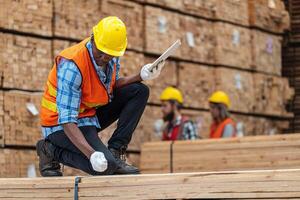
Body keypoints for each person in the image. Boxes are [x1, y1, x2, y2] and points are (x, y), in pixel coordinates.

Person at [36, 16, 165, 176]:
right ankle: (50, 150)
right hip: (58, 123)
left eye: (109, 55)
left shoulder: (111, 54)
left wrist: (140, 76)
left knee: (139, 90)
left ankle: (116, 151)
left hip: (87, 116)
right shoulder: (72, 67)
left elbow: (109, 86)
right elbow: (67, 120)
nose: (104, 58)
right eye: (101, 52)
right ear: (92, 38)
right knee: (106, 166)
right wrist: (91, 154)